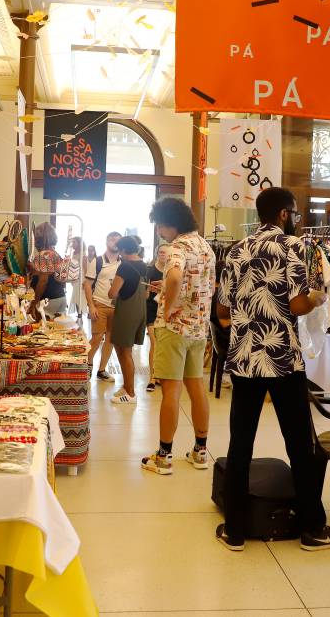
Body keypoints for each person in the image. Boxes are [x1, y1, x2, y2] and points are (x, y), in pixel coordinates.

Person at [215, 187, 330, 552]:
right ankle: (313, 530)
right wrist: (319, 297)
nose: (298, 220)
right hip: (283, 358)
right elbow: (298, 304)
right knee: (299, 444)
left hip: (244, 360)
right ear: (284, 214)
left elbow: (223, 312)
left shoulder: (236, 250)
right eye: (297, 214)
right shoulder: (292, 248)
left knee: (240, 444)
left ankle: (235, 531)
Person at [142, 198, 215, 476]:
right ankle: (200, 451)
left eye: (160, 225)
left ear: (169, 223)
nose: (159, 231)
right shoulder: (205, 246)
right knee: (196, 388)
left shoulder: (177, 247)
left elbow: (174, 277)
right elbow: (194, 282)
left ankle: (163, 456)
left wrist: (169, 304)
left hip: (174, 329)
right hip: (198, 328)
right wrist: (171, 288)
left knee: (171, 391)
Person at [108, 236, 149, 405]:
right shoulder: (144, 265)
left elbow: (112, 293)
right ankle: (126, 387)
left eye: (120, 251)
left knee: (125, 352)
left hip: (126, 311)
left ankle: (130, 393)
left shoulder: (124, 266)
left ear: (124, 250)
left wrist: (112, 287)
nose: (119, 255)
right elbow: (146, 292)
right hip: (140, 309)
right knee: (125, 350)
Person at [84, 231, 121, 381]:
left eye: (117, 240)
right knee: (97, 337)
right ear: (106, 241)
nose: (114, 241)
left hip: (117, 307)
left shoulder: (123, 263)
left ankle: (102, 370)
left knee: (111, 339)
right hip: (99, 304)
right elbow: (87, 285)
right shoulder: (97, 261)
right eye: (112, 238)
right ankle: (87, 365)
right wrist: (91, 306)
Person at [144, 243, 169, 391]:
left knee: (164, 344)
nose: (163, 254)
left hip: (167, 309)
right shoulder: (149, 270)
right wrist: (150, 289)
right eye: (160, 252)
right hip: (152, 308)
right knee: (154, 342)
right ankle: (152, 378)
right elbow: (146, 294)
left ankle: (161, 374)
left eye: (165, 252)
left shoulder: (173, 271)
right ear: (156, 253)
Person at [29, 223, 67, 318]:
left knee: (41, 330)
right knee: (57, 330)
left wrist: (34, 303)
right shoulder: (56, 254)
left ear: (38, 239)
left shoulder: (43, 255)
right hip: (60, 297)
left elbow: (43, 280)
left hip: (47, 301)